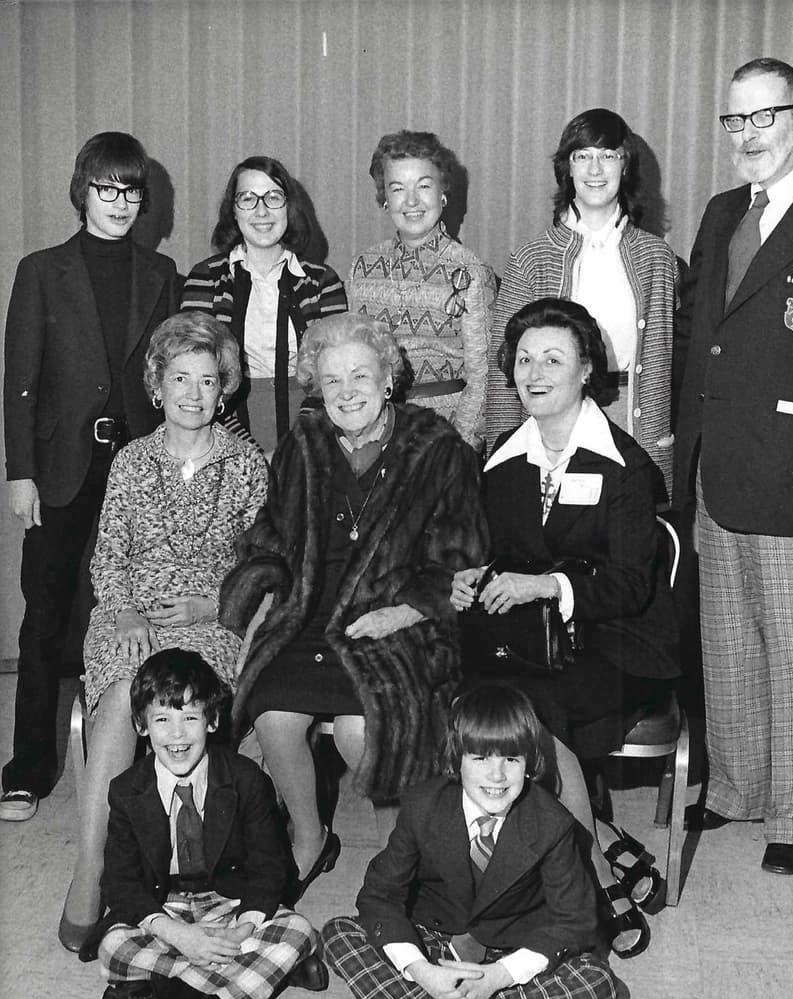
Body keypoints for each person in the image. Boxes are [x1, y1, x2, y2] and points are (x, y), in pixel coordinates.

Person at [220, 312, 487, 896]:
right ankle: (311, 836)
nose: (346, 393)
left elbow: (460, 554)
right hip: (310, 614)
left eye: (360, 377)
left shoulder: (437, 447)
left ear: (388, 378)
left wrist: (404, 611)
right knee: (273, 712)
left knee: (358, 729)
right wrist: (264, 595)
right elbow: (269, 532)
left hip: (397, 623)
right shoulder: (304, 442)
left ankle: (405, 854)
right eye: (332, 381)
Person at [673, 58, 793, 875]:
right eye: (734, 121)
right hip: (721, 471)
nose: (748, 136)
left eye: (765, 117)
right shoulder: (720, 213)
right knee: (729, 645)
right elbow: (700, 344)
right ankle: (736, 790)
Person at [453, 298, 680, 957]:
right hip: (529, 640)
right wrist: (474, 578)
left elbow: (634, 587)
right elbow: (494, 554)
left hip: (619, 642)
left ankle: (595, 879)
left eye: (553, 358)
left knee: (530, 712)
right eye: (523, 359)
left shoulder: (627, 467)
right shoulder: (502, 458)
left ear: (587, 371)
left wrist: (550, 586)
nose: (535, 371)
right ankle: (602, 838)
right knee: (471, 699)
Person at [59, 312, 269, 950]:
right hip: (132, 616)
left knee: (176, 693)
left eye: (207, 381)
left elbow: (262, 569)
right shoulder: (129, 462)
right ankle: (93, 869)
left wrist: (211, 606)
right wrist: (121, 609)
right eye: (180, 378)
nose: (192, 394)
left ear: (224, 389)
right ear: (157, 385)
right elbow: (108, 556)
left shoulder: (246, 465)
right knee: (126, 692)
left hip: (210, 622)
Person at [1, 131, 179, 824]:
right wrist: (22, 474)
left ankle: (147, 757)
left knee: (145, 602)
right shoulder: (42, 269)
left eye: (132, 190)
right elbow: (21, 381)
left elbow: (168, 375)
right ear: (84, 192)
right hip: (61, 471)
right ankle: (28, 768)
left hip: (137, 466)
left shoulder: (160, 273)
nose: (121, 203)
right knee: (45, 618)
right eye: (107, 188)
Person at [321, 684, 617, 999]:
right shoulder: (422, 805)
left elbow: (574, 920)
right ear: (456, 759)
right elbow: (380, 896)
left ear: (531, 763)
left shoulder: (553, 823)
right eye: (480, 758)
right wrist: (423, 970)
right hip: (438, 938)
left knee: (600, 984)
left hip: (515, 944)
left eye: (511, 759)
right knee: (338, 934)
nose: (496, 776)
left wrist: (498, 976)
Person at [94, 649, 325, 999]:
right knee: (113, 947)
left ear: (213, 720)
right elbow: (119, 882)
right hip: (164, 904)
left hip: (229, 903)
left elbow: (272, 868)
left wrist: (241, 931)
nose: (178, 734)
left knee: (298, 930)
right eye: (162, 719)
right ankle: (260, 978)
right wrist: (180, 936)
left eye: (190, 717)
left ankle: (161, 995)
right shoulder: (125, 790)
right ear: (141, 726)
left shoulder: (246, 779)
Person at [485, 109, 676, 498]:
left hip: (634, 419)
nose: (595, 168)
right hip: (553, 422)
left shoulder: (659, 258)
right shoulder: (530, 259)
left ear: (626, 167)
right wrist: (500, 455)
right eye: (582, 155)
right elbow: (503, 366)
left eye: (608, 155)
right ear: (567, 168)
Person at [181, 155, 348, 455]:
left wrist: (295, 448)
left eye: (273, 197)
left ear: (289, 207)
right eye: (248, 198)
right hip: (223, 431)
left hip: (314, 431)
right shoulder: (204, 279)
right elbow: (194, 376)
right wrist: (245, 451)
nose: (261, 210)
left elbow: (337, 373)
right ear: (233, 210)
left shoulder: (323, 282)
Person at [348, 130, 496, 452]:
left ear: (443, 192)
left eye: (424, 186)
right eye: (398, 188)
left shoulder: (471, 272)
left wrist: (459, 449)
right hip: (375, 434)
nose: (411, 201)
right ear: (385, 198)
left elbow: (484, 378)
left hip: (447, 435)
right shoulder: (362, 268)